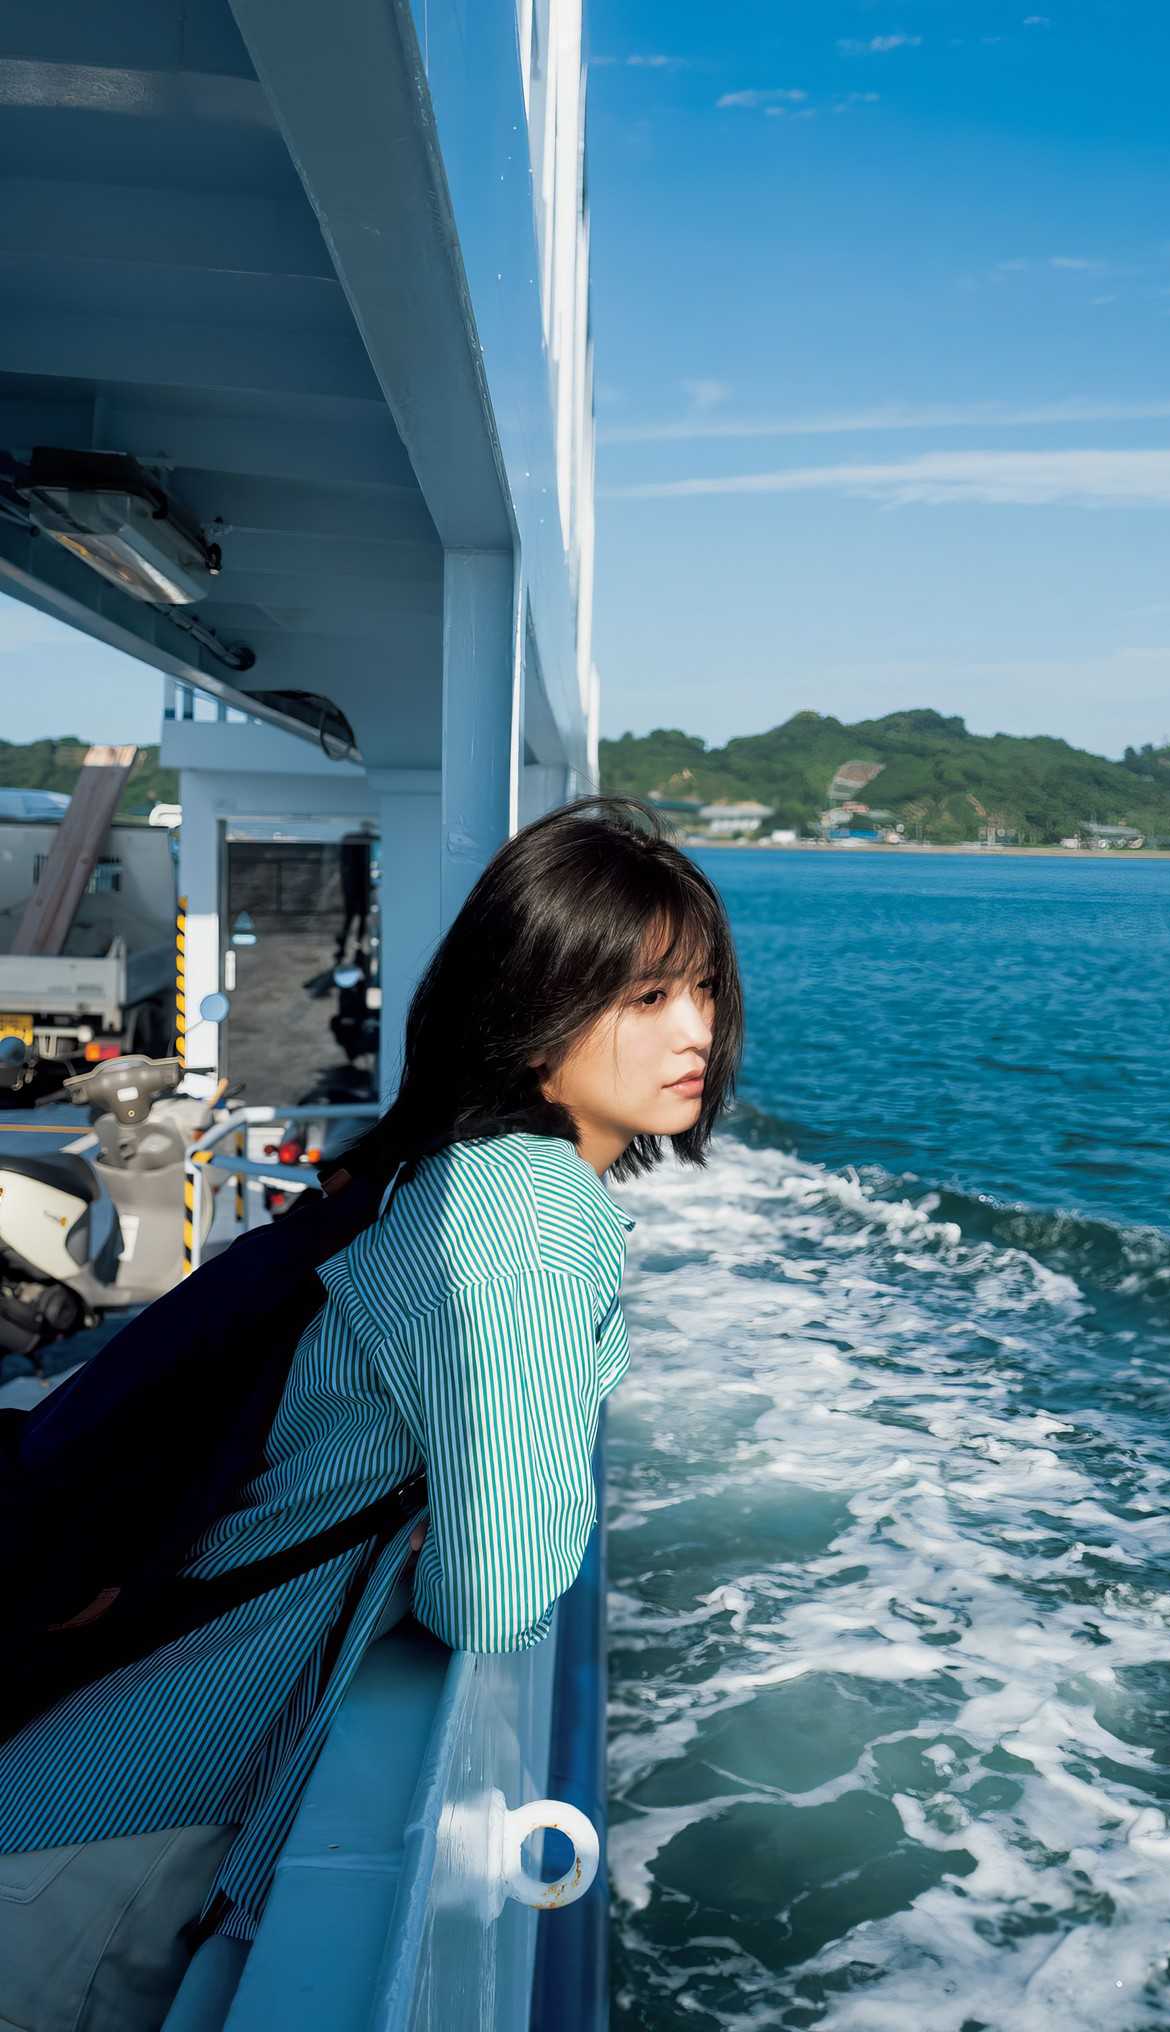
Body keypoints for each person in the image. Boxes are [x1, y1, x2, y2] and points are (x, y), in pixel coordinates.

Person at [0, 794, 744, 2031]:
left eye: (705, 989)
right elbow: (496, 1593)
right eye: (646, 995)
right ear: (532, 1008)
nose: (696, 1031)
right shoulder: (531, 1214)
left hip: (93, 1771)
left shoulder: (442, 1166)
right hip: (109, 1828)